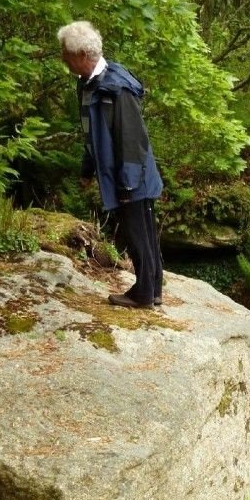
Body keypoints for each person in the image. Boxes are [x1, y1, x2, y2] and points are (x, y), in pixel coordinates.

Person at [58, 21, 164, 308]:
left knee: (137, 233)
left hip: (132, 175)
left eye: (65, 54)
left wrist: (128, 183)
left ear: (81, 54)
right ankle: (152, 291)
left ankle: (145, 293)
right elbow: (93, 134)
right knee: (142, 232)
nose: (63, 59)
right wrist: (87, 170)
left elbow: (133, 141)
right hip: (123, 174)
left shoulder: (116, 88)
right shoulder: (89, 84)